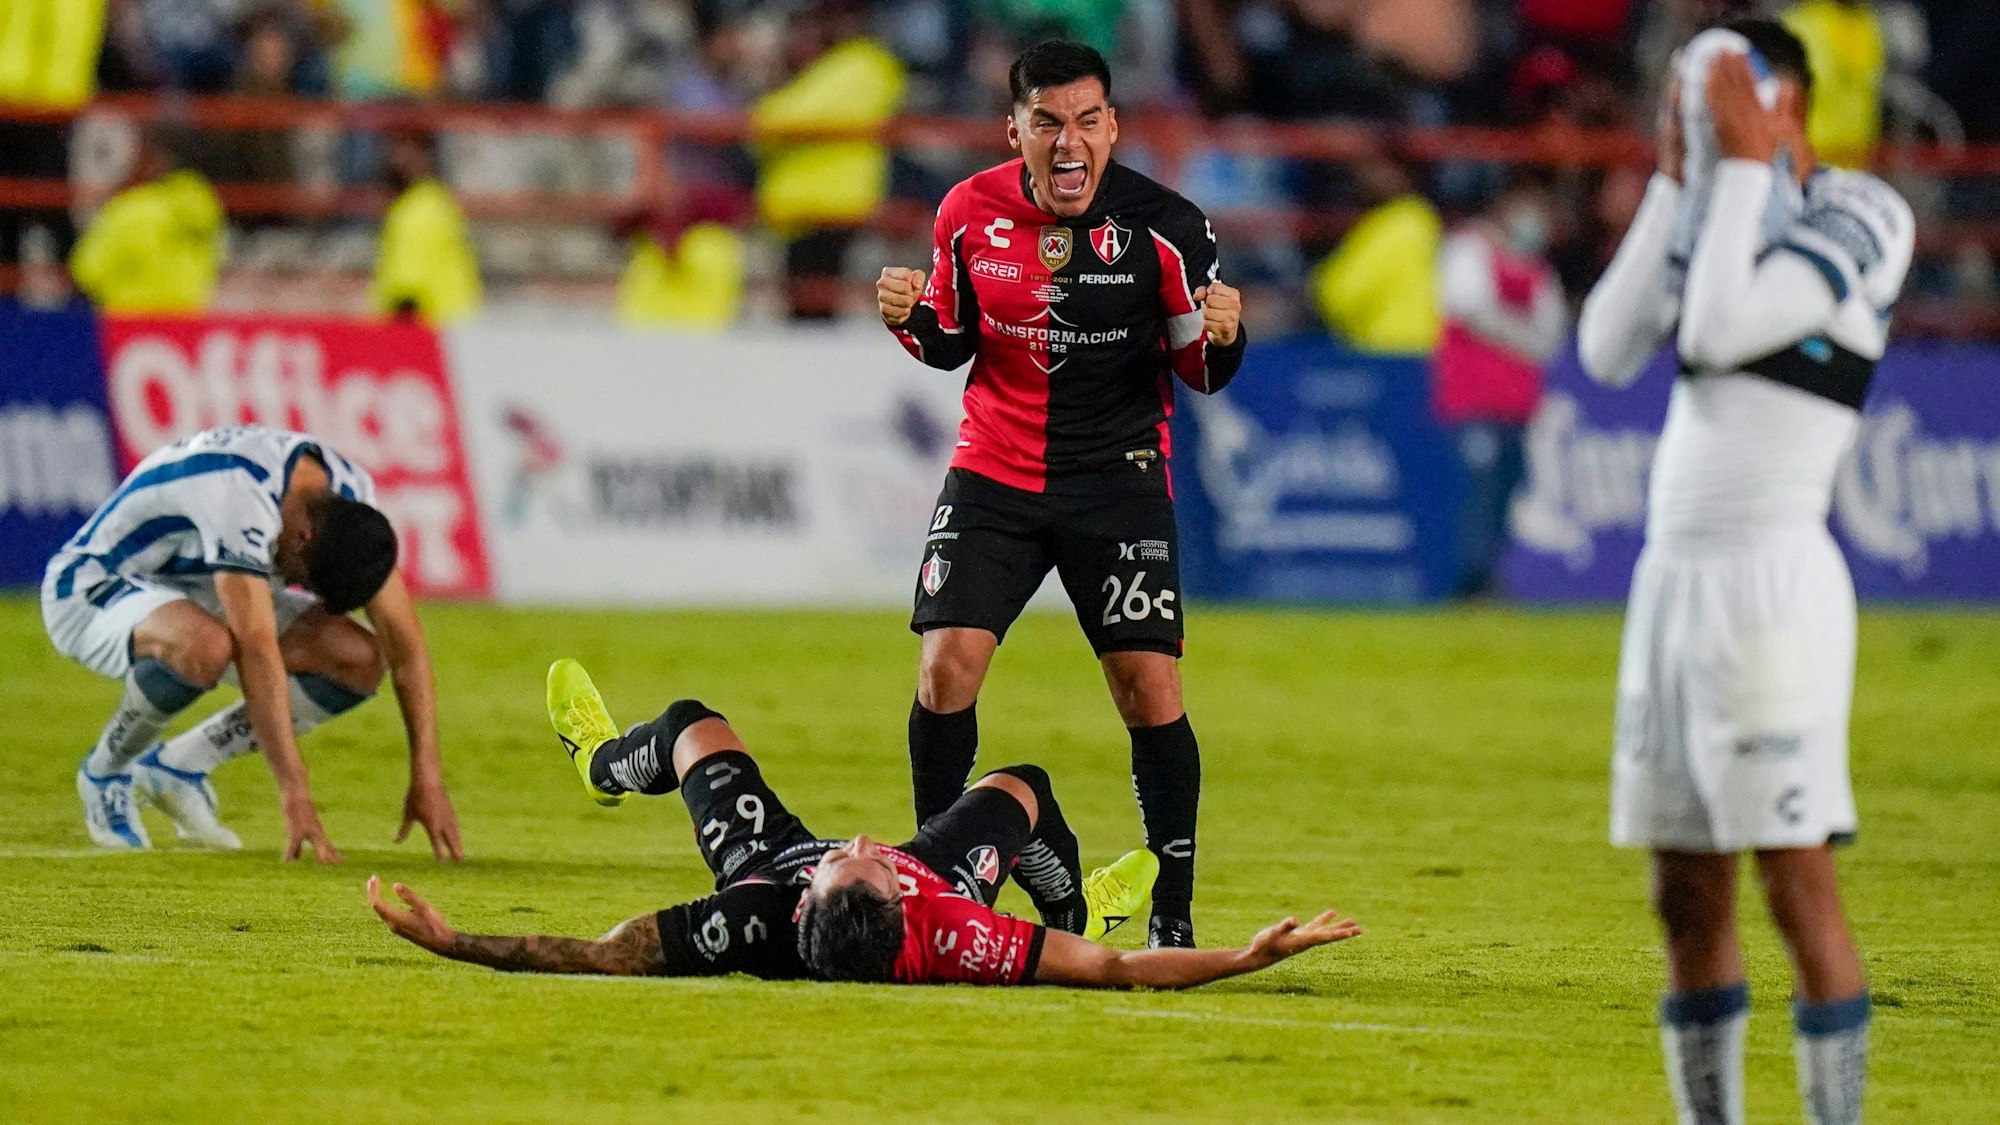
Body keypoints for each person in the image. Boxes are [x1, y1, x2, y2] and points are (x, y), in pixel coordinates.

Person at [1576, 21, 1912, 1125]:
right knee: (1681, 895)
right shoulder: (1711, 218)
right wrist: (1679, 186)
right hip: (1668, 590)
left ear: (1785, 106)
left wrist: (1734, 169)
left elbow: (1719, 332)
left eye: (1713, 99)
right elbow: (1605, 350)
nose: (1692, 120)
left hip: (1770, 591)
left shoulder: (1860, 213)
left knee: (1792, 880)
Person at [877, 40, 1244, 951]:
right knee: (944, 667)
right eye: (1048, 122)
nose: (1069, 142)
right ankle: (944, 886)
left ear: (1113, 127)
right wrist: (910, 320)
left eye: (1087, 121)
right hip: (995, 469)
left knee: (1148, 689)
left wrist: (1230, 335)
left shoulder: (1170, 228)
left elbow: (1201, 370)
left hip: (1116, 480)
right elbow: (951, 343)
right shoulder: (968, 212)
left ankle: (1172, 913)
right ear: (1017, 131)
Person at [367, 660, 1361, 988]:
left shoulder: (754, 915)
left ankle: (598, 756)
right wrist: (1245, 956)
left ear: (803, 910)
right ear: (900, 901)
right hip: (949, 883)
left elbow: (599, 952)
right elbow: (1114, 979)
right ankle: (1079, 908)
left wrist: (454, 942)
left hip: (762, 856)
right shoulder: (950, 928)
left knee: (686, 727)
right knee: (1022, 788)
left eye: (847, 865)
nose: (855, 848)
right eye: (866, 868)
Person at [43, 424, 465, 863]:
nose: (295, 585)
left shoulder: (346, 498)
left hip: (197, 587)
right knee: (206, 645)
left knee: (358, 658)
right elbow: (256, 649)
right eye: (304, 580)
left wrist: (427, 778)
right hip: (94, 586)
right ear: (304, 537)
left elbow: (407, 648)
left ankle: (177, 768)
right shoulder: (240, 497)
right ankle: (106, 772)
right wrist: (294, 790)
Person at [1433, 175, 1568, 598]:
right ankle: (1467, 581)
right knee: (1477, 490)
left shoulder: (1536, 269)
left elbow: (1553, 332)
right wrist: (1523, 335)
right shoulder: (1469, 250)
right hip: (1472, 399)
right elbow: (1470, 308)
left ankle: (1486, 578)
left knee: (1505, 492)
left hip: (1517, 404)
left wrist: (1516, 333)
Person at [67, 133, 224, 314]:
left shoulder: (132, 209)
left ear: (154, 160)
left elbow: (87, 270)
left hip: (130, 320)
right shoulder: (207, 210)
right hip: (188, 319)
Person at [1308, 149, 1443, 356]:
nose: (1368, 177)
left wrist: (1318, 286)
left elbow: (1342, 293)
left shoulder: (1402, 223)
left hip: (1389, 348)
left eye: (1379, 168)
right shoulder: (1404, 221)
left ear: (1404, 173)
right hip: (1404, 347)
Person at [370, 129, 482, 325]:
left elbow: (408, 287)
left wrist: (395, 339)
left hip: (429, 327)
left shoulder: (417, 211)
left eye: (402, 148)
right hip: (450, 325)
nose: (393, 158)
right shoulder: (436, 201)